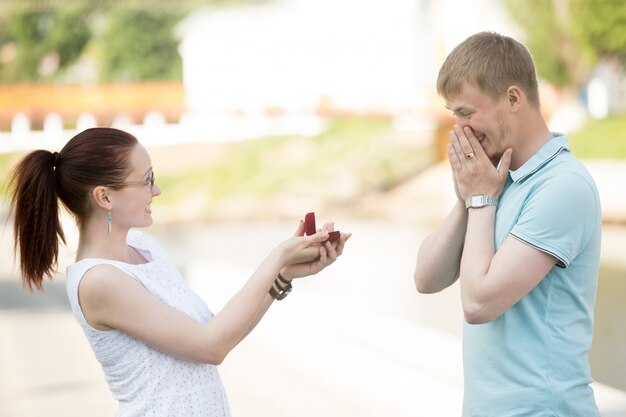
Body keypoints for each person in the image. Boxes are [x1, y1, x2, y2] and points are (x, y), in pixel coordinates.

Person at [8, 127, 351, 417]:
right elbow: (211, 346)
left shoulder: (145, 248)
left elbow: (216, 330)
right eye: (146, 180)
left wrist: (284, 273)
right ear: (105, 197)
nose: (156, 190)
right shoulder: (98, 280)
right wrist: (275, 257)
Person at [413, 32, 601, 416]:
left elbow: (479, 303)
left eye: (467, 113)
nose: (459, 129)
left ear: (513, 99)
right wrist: (467, 200)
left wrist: (481, 199)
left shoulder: (562, 186)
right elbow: (426, 279)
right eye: (454, 115)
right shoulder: (497, 181)